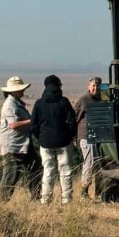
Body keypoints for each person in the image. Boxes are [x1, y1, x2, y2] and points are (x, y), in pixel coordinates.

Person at [30, 74, 77, 204]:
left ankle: (45, 199)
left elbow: (34, 125)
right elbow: (72, 121)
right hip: (63, 141)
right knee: (65, 170)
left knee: (48, 171)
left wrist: (41, 137)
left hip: (45, 142)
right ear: (58, 86)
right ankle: (66, 199)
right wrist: (69, 135)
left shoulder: (39, 104)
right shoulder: (64, 102)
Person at [0, 76, 33, 202]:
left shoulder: (16, 103)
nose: (22, 91)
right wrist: (32, 121)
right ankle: (3, 203)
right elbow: (13, 125)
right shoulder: (10, 105)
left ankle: (36, 197)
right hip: (12, 145)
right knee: (10, 175)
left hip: (21, 144)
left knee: (35, 168)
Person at [71, 76, 103, 199]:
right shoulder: (83, 100)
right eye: (93, 86)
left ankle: (99, 193)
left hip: (99, 136)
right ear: (88, 87)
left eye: (98, 86)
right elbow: (74, 118)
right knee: (89, 162)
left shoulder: (100, 100)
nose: (95, 88)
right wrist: (73, 136)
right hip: (85, 135)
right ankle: (84, 191)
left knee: (100, 163)